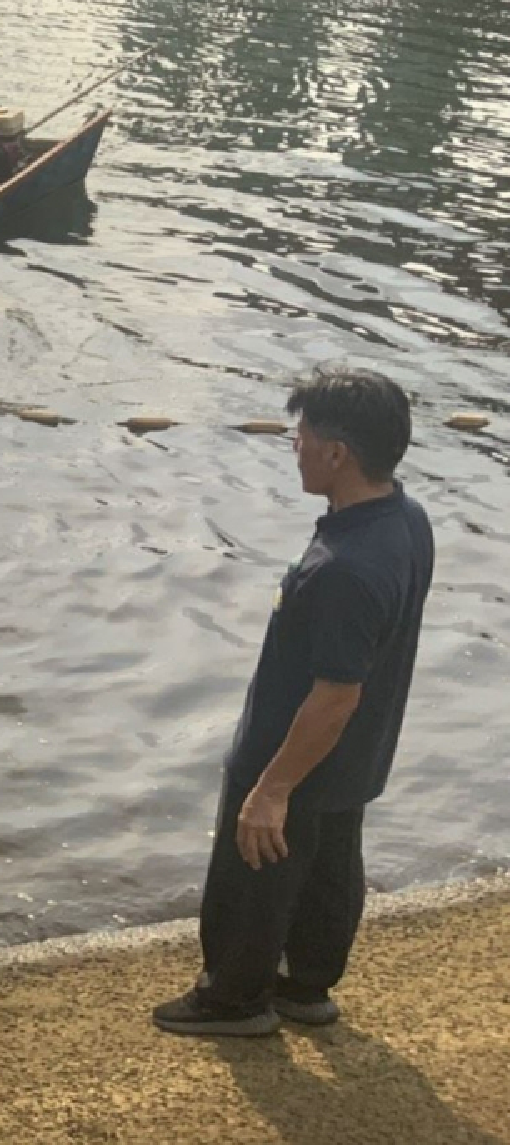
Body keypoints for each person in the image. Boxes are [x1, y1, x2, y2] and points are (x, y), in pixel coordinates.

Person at [152, 368, 435, 1038]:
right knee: (329, 870)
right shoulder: (405, 519)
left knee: (254, 873)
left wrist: (271, 788)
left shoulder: (345, 569)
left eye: (301, 436)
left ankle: (234, 999)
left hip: (297, 749)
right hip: (356, 757)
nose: (294, 446)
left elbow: (335, 696)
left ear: (337, 453)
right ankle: (306, 987)